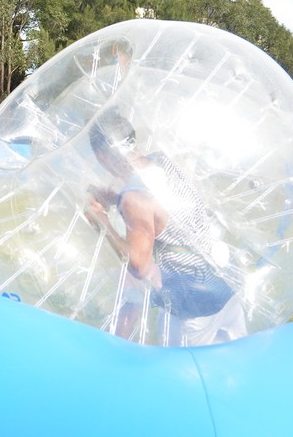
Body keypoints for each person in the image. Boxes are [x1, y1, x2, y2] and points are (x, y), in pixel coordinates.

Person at [86, 108, 246, 346]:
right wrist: (115, 197)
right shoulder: (161, 161)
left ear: (101, 155)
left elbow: (139, 266)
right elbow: (162, 211)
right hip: (225, 288)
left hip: (192, 310)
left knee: (183, 379)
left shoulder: (134, 199)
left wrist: (102, 221)